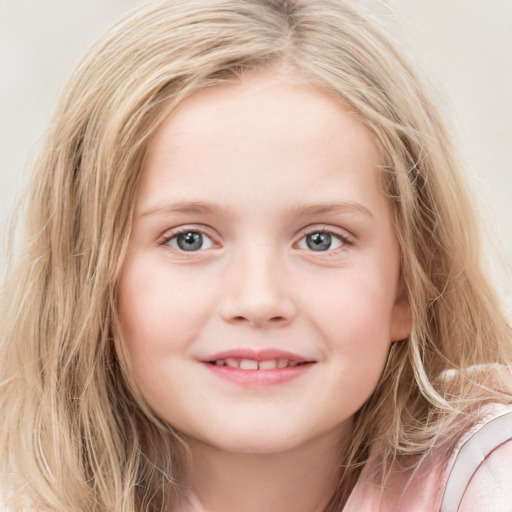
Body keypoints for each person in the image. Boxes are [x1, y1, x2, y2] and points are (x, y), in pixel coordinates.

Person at [1, 1, 511, 510]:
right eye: (189, 239)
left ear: (408, 286)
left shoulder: (488, 476)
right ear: (89, 281)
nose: (260, 299)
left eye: (321, 239)